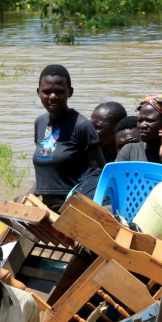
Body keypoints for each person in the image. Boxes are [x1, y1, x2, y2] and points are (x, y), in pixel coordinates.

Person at [32, 64, 105, 211]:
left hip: (73, 208)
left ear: (70, 92)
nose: (53, 96)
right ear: (38, 92)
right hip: (45, 208)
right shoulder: (40, 123)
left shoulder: (82, 126)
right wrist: (30, 195)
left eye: (59, 92)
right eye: (47, 92)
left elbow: (100, 174)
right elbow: (47, 171)